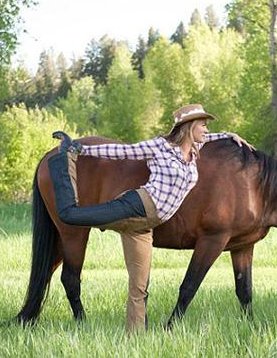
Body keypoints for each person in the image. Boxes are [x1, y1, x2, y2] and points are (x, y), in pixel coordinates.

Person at [48, 103, 254, 332]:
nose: (207, 129)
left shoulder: (195, 148)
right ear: (189, 127)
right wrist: (80, 148)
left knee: (140, 285)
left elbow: (213, 137)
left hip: (145, 226)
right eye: (203, 124)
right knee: (71, 215)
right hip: (135, 206)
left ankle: (135, 339)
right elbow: (121, 152)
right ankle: (63, 156)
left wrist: (231, 136)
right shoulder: (159, 146)